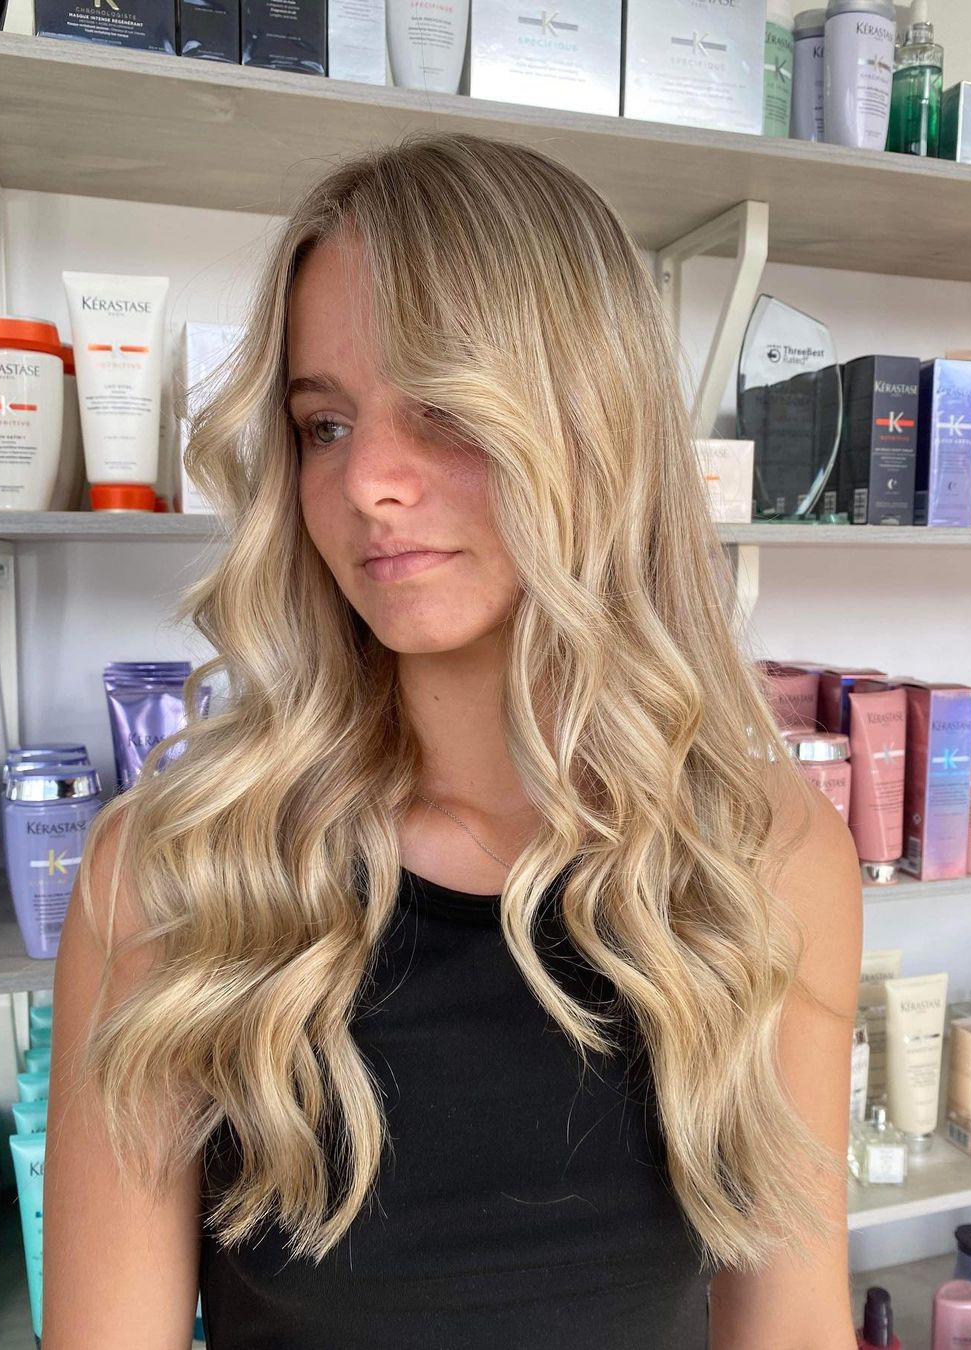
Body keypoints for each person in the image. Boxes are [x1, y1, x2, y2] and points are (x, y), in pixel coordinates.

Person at [42, 132, 863, 1349]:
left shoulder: (763, 859)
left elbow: (790, 1329)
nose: (369, 480)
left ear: (593, 428)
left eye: (443, 409)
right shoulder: (175, 880)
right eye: (326, 424)